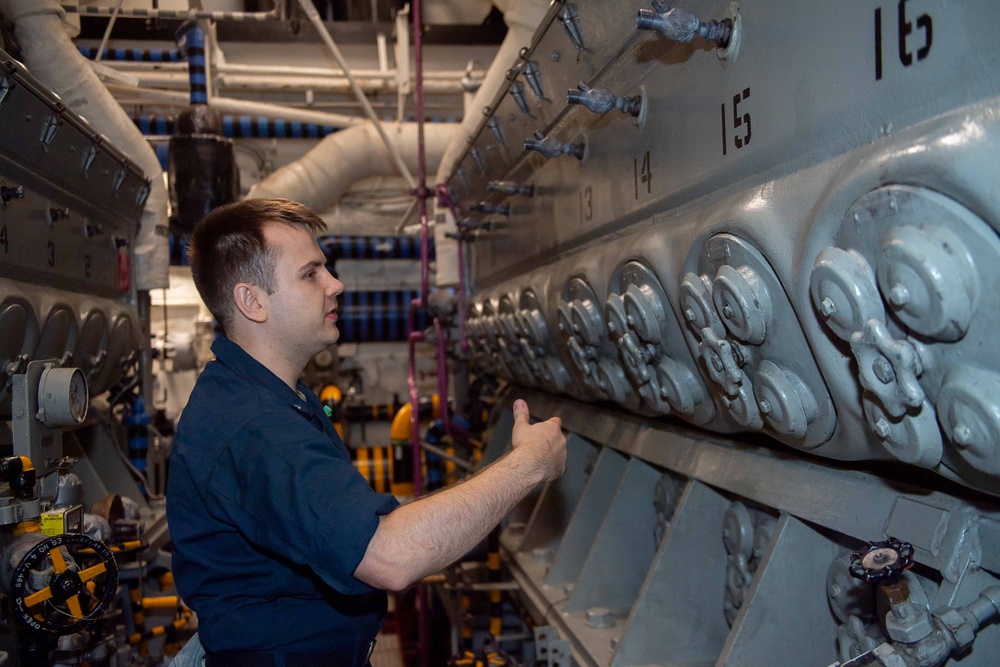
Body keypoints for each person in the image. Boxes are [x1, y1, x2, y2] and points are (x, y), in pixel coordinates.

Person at [166, 198, 567, 667]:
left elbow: (356, 525)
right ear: (252, 301)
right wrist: (528, 465)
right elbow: (391, 557)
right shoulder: (256, 427)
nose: (335, 285)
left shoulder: (272, 397)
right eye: (310, 273)